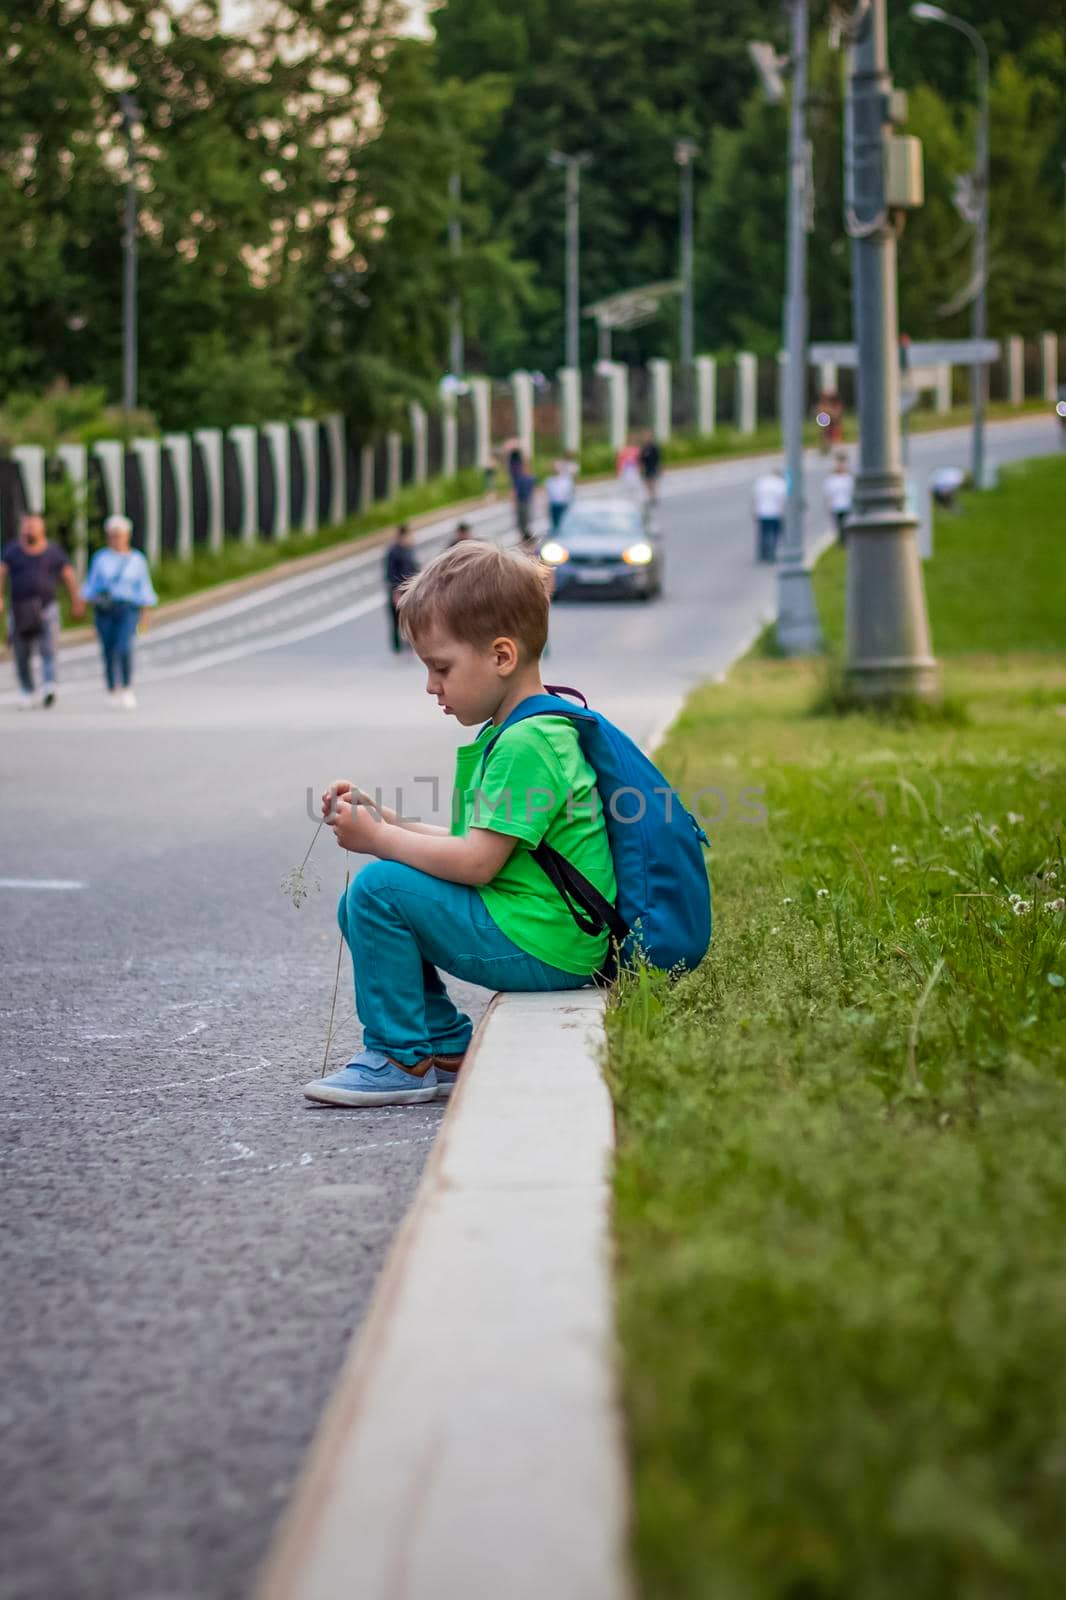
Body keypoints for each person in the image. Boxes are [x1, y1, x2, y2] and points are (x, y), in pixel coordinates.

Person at [304, 541, 615, 1107]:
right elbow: (474, 845)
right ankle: (445, 1048)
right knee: (366, 899)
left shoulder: (528, 743)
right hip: (541, 929)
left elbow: (475, 864)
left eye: (440, 667)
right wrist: (389, 823)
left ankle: (401, 1057)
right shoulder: (522, 730)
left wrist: (380, 842)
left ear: (501, 656)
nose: (430, 685)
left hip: (548, 944)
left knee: (378, 888)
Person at [0, 512, 85, 708]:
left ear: (42, 528)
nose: (29, 529)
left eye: (33, 526)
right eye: (26, 526)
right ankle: (27, 690)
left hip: (47, 608)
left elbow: (68, 575)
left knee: (49, 648)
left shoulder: (53, 551)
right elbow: (2, 572)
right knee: (21, 652)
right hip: (19, 608)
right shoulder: (12, 551)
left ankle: (49, 685)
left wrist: (76, 600)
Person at [81, 514, 158, 708]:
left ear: (127, 536)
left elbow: (145, 588)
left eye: (120, 535)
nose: (116, 539)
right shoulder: (101, 558)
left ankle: (126, 686)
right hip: (105, 609)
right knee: (107, 649)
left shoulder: (136, 559)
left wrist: (146, 614)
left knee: (123, 646)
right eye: (113, 535)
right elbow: (92, 585)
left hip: (128, 608)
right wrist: (85, 606)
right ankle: (111, 688)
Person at [384, 524, 419, 653]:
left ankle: (409, 645)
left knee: (409, 620)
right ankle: (397, 649)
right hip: (398, 591)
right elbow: (391, 574)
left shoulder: (409, 550)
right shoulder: (393, 552)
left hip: (409, 591)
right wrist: (396, 592)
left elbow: (414, 570)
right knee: (396, 621)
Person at [751, 468, 787, 563]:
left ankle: (763, 552)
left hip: (762, 512)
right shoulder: (781, 484)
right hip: (775, 513)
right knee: (774, 534)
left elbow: (755, 497)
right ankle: (771, 553)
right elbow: (783, 500)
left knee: (763, 533)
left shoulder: (762, 482)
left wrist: (754, 511)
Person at [823, 452, 854, 542]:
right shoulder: (831, 479)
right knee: (839, 526)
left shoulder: (848, 478)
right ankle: (842, 541)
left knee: (846, 525)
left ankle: (846, 541)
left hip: (847, 506)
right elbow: (827, 494)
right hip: (836, 507)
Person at [544, 460, 575, 531]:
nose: (556, 469)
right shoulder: (549, 480)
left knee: (564, 525)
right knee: (555, 526)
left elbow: (571, 492)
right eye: (554, 467)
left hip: (563, 505)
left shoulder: (566, 479)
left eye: (557, 467)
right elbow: (547, 495)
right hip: (553, 505)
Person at [639, 432, 662, 507]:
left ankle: (653, 497)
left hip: (653, 466)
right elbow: (641, 459)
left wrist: (659, 468)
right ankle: (650, 496)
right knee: (647, 483)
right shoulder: (643, 447)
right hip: (646, 467)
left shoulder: (654, 447)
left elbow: (658, 458)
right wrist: (641, 468)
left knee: (652, 483)